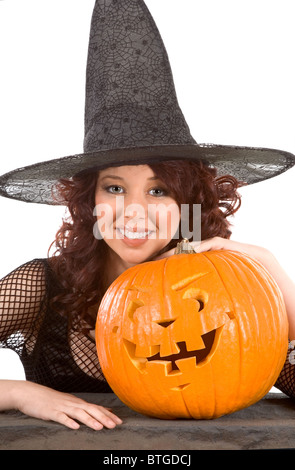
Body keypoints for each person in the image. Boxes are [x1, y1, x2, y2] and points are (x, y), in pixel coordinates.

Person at [0, 0, 295, 430]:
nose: (133, 211)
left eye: (159, 190)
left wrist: (270, 270)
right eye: (114, 188)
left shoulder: (235, 290)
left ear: (188, 202)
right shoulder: (40, 287)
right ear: (91, 201)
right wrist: (18, 392)